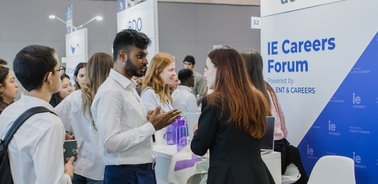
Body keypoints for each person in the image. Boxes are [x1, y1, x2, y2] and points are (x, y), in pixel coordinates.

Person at [91, 29, 180, 184]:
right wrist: (150, 126)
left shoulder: (128, 88)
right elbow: (110, 143)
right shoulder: (112, 91)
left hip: (140, 171)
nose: (146, 61)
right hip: (125, 174)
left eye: (145, 55)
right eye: (140, 56)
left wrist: (147, 120)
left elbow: (127, 127)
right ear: (122, 56)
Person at [190, 46, 274, 184]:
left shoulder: (213, 102)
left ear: (220, 70)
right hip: (257, 175)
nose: (204, 74)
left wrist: (197, 132)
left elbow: (199, 147)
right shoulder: (258, 99)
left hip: (226, 176)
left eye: (207, 68)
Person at [0, 45, 74, 183]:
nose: (60, 73)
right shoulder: (50, 123)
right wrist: (68, 175)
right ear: (49, 77)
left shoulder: (8, 112)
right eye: (59, 69)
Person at [240, 49, 308, 184]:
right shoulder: (267, 88)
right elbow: (282, 122)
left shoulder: (246, 92)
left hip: (258, 151)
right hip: (279, 147)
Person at [56, 52, 114, 184]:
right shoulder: (112, 96)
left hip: (77, 164)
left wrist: (65, 135)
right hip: (102, 167)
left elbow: (54, 118)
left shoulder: (75, 97)